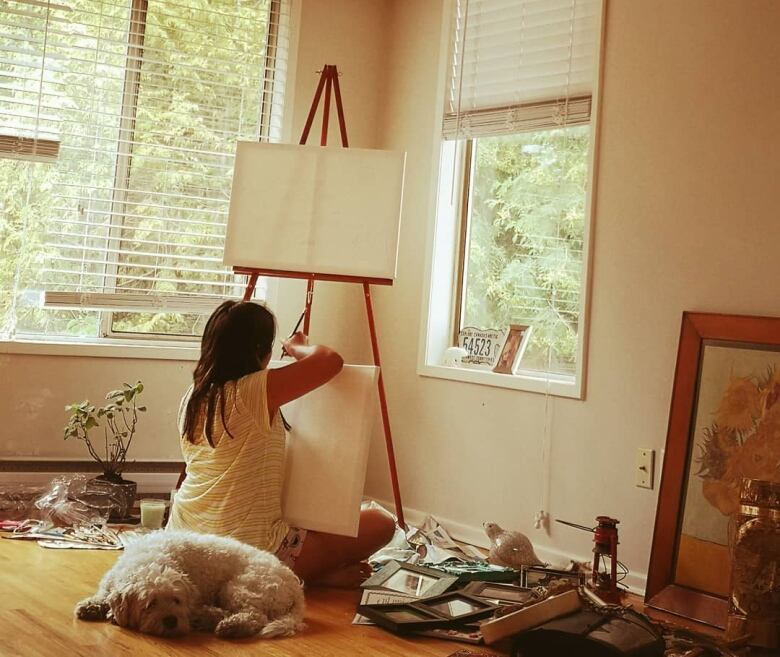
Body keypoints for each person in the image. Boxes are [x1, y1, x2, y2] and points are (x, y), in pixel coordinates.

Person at [167, 300, 396, 586]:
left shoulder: (194, 395)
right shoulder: (252, 391)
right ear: (258, 350)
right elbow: (330, 361)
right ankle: (311, 576)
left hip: (183, 535)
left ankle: (314, 574)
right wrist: (297, 345)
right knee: (383, 523)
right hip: (250, 552)